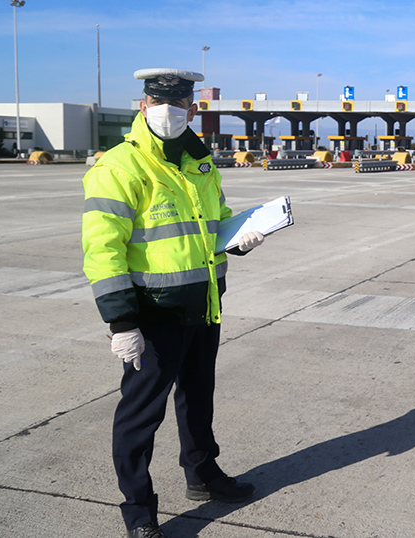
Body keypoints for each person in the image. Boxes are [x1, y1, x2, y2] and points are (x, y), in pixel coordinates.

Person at [82, 68, 264, 538]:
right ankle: (139, 512)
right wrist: (121, 321)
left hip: (204, 304)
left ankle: (203, 473)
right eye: (158, 102)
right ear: (143, 106)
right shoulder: (119, 166)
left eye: (179, 103)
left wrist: (238, 237)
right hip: (152, 313)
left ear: (193, 109)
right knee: (141, 415)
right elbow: (102, 250)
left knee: (198, 397)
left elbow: (216, 222)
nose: (168, 111)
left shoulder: (200, 162)